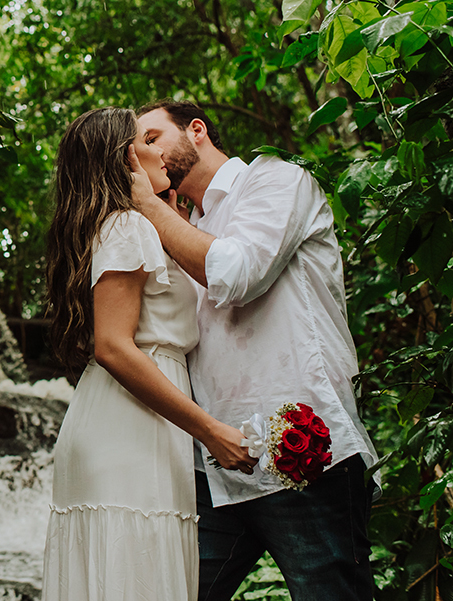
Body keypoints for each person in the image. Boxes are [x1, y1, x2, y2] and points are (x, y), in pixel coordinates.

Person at [128, 99, 380, 601]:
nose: (144, 156)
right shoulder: (179, 223)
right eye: (136, 151)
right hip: (216, 465)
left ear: (196, 130)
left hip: (305, 456)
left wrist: (149, 207)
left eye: (152, 138)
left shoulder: (275, 180)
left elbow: (238, 273)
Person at [41, 107, 257, 601]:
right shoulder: (127, 228)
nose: (161, 152)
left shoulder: (133, 226)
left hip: (134, 414)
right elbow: (114, 346)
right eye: (145, 142)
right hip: (130, 422)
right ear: (125, 161)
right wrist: (210, 430)